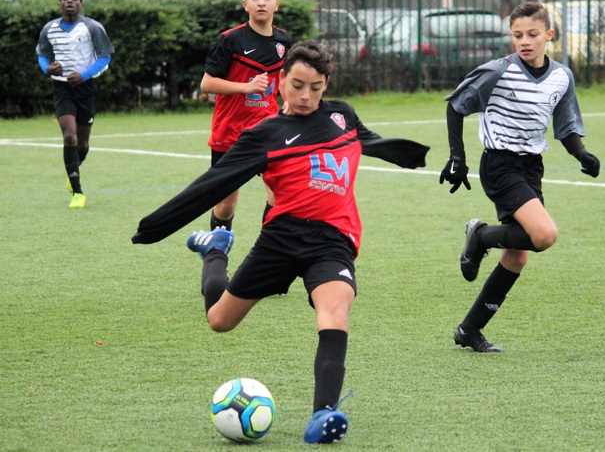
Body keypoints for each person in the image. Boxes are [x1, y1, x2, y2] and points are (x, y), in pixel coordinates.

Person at [133, 41, 430, 443]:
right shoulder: (264, 135)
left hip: (332, 240)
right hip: (281, 239)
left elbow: (371, 141)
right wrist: (156, 226)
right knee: (220, 321)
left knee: (335, 311)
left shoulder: (342, 115)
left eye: (316, 87)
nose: (306, 96)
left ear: (327, 85)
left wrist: (416, 157)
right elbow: (211, 184)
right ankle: (216, 248)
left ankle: (323, 415)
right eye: (297, 85)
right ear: (280, 81)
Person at [439, 2, 600, 353]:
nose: (524, 41)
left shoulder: (561, 77)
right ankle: (480, 235)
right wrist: (457, 158)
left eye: (532, 34)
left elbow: (566, 126)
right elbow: (456, 105)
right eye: (517, 35)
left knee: (517, 255)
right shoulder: (497, 71)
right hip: (500, 165)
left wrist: (582, 154)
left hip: (531, 168)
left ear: (549, 35)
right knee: (543, 236)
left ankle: (469, 330)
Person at [200, 0, 292, 231]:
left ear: (277, 3)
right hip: (229, 133)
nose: (261, 2)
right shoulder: (231, 39)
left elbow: (285, 79)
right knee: (226, 205)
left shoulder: (284, 41)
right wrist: (246, 87)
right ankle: (217, 256)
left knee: (279, 194)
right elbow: (207, 84)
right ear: (245, 5)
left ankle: (268, 252)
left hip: (268, 130)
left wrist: (289, 103)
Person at [36, 0, 114, 209]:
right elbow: (43, 55)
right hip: (62, 90)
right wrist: (48, 69)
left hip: (86, 89)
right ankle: (77, 191)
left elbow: (104, 58)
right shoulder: (49, 29)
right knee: (69, 136)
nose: (69, 1)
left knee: (83, 144)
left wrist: (84, 75)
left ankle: (73, 169)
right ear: (59, 3)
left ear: (81, 3)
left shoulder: (92, 28)